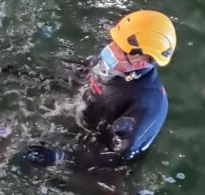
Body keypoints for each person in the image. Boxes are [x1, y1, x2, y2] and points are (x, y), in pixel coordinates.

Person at [24, 10, 175, 168]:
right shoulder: (115, 64)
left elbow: (115, 157)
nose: (110, 49)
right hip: (87, 118)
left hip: (103, 162)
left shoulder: (147, 104)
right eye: (114, 41)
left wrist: (60, 157)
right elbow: (78, 74)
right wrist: (30, 74)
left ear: (139, 61)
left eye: (119, 48)